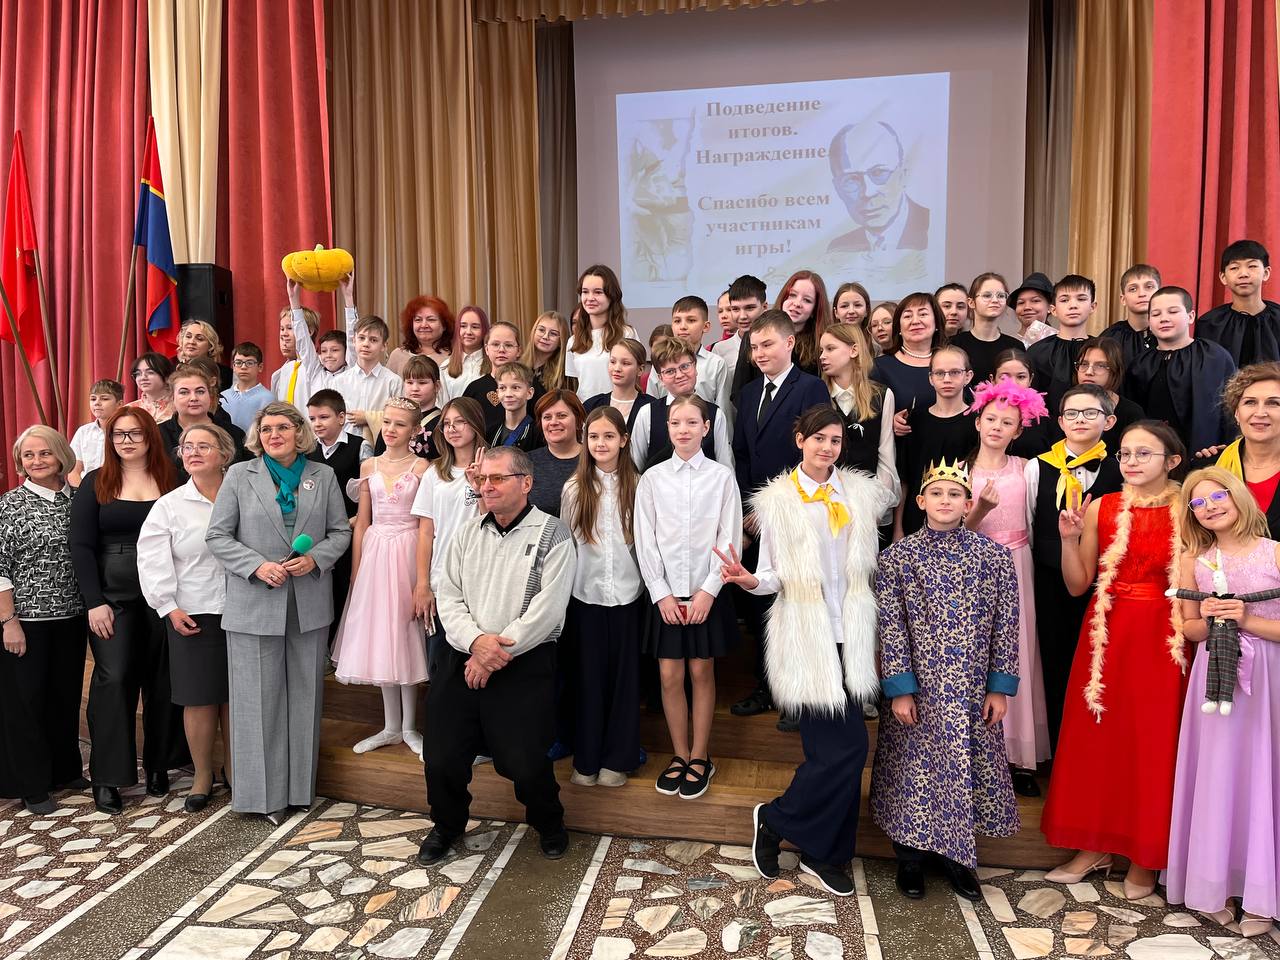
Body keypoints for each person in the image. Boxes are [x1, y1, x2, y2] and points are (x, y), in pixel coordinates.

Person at [719, 406, 890, 896]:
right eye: (819, 438)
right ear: (800, 440)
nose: (827, 448)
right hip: (807, 633)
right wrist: (749, 581)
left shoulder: (858, 493)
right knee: (845, 747)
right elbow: (772, 573)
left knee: (837, 752)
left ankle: (819, 848)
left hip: (850, 631)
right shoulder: (779, 500)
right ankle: (782, 821)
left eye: (835, 440)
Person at [1041, 421, 1189, 900]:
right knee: (1097, 737)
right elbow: (1077, 584)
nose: (1131, 461)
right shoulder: (1101, 506)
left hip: (1165, 633)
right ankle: (1094, 845)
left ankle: (1146, 856)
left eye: (1144, 453)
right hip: (1106, 632)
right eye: (1125, 453)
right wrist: (1068, 539)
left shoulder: (1189, 508)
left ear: (1172, 461)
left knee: (1153, 742)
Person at [871, 457, 1020, 901]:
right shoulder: (897, 558)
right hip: (921, 689)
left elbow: (1006, 624)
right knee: (913, 770)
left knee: (964, 769)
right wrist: (901, 689)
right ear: (920, 501)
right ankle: (910, 858)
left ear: (968, 503)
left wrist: (999, 687)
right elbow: (891, 627)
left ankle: (958, 858)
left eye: (955, 494)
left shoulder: (993, 557)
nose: (945, 500)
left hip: (971, 688)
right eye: (936, 493)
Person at [420, 446, 575, 863]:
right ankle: (447, 825)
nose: (486, 486)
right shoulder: (467, 532)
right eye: (483, 479)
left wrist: (493, 652)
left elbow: (548, 610)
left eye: (497, 478)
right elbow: (448, 595)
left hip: (523, 659)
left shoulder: (553, 534)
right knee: (441, 757)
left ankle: (549, 823)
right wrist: (475, 643)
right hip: (463, 655)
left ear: (526, 483)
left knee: (523, 762)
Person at [205, 401, 352, 824]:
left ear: (299, 432)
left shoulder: (322, 475)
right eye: (267, 428)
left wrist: (316, 558)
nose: (274, 435)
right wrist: (256, 566)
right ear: (258, 436)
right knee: (257, 702)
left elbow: (340, 531)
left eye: (283, 427)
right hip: (254, 602)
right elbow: (217, 536)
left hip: (308, 603)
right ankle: (262, 797)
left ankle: (299, 791)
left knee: (305, 699)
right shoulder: (239, 475)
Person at [1164, 467, 1280, 936]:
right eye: (1198, 503)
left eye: (1217, 497)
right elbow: (1190, 629)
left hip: (1268, 675)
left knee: (1264, 773)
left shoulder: (1275, 553)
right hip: (1215, 680)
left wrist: (1246, 619)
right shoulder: (1195, 560)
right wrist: (1210, 618)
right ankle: (1215, 885)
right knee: (1219, 774)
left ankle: (1263, 892)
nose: (1209, 507)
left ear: (1238, 497)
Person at [70, 407, 185, 814]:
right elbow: (81, 546)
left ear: (150, 436)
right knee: (114, 677)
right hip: (113, 596)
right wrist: (94, 602)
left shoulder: (173, 478)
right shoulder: (95, 481)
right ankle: (107, 776)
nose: (126, 441)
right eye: (119, 434)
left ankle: (159, 764)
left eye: (135, 433)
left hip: (167, 591)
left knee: (163, 679)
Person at [636, 395, 743, 799]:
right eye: (676, 422)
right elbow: (645, 539)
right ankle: (679, 754)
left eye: (692, 422)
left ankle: (700, 756)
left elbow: (729, 537)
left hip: (704, 594)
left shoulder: (721, 477)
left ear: (706, 427)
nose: (683, 429)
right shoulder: (652, 478)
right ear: (667, 428)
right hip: (665, 594)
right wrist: (661, 593)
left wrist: (708, 592)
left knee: (701, 672)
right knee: (669, 675)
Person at [731, 312, 830, 722]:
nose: (759, 353)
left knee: (797, 603)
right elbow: (741, 453)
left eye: (767, 344)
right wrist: (750, 508)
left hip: (796, 512)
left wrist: (774, 504)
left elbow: (814, 453)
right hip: (755, 518)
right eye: (754, 347)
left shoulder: (810, 387)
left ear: (789, 343)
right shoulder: (748, 392)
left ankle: (797, 694)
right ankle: (767, 686)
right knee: (762, 610)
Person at [137, 423, 235, 813]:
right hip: (193, 612)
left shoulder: (243, 494)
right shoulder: (170, 505)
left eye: (203, 446)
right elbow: (151, 559)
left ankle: (236, 770)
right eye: (186, 447)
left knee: (235, 698)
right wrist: (168, 607)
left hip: (245, 610)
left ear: (224, 454)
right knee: (199, 699)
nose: (192, 452)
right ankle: (202, 775)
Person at [963, 380, 1052, 796]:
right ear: (978, 421)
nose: (997, 427)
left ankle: (1018, 755)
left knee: (1017, 649)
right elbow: (954, 531)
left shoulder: (1026, 469)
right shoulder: (959, 470)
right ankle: (977, 749)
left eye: (1007, 422)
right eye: (991, 419)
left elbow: (1032, 521)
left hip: (1016, 563)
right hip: (973, 568)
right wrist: (980, 510)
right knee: (976, 652)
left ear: (1019, 429)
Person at [332, 398, 430, 756]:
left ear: (415, 430)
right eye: (387, 422)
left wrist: (423, 576)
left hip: (407, 550)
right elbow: (362, 522)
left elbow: (425, 523)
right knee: (381, 634)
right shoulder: (369, 465)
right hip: (375, 552)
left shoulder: (422, 468)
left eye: (400, 424)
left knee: (404, 632)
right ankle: (390, 726)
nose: (390, 429)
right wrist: (357, 571)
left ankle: (409, 726)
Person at [1027, 384, 1123, 746]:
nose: (1080, 420)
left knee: (1098, 663)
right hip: (1049, 580)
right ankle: (1056, 746)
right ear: (1060, 422)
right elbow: (1030, 525)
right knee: (1054, 660)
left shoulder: (1121, 468)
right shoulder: (1038, 467)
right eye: (1072, 413)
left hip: (1104, 584)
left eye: (1090, 413)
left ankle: (1094, 744)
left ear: (1108, 421)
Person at [0, 426, 87, 814]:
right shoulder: (10, 505)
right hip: (26, 620)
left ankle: (65, 770)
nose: (36, 461)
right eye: (28, 455)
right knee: (26, 703)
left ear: (61, 456)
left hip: (73, 616)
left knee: (64, 696)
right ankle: (31, 783)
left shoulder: (78, 501)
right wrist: (8, 621)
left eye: (45, 453)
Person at [561, 406, 645, 787]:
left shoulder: (638, 485)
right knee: (588, 680)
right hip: (586, 597)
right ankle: (587, 758)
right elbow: (568, 546)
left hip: (628, 595)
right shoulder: (574, 488)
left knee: (625, 680)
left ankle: (618, 759)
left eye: (609, 436)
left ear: (623, 440)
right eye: (593, 436)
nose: (600, 443)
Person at [411, 397, 486, 678]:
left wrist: (479, 487)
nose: (452, 429)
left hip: (480, 579)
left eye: (460, 422)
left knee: (476, 663)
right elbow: (425, 532)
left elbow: (496, 521)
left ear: (476, 424)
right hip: (442, 579)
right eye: (447, 424)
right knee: (441, 665)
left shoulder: (492, 467)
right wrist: (422, 584)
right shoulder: (435, 473)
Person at [1124, 285, 1237, 456]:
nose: (1164, 319)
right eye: (1156, 314)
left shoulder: (1214, 356)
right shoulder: (1140, 364)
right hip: (1152, 455)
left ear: (1190, 316)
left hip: (1205, 454)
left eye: (1173, 312)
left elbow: (1230, 408)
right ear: (1149, 322)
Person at [894, 346, 975, 539]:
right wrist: (898, 527)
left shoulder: (977, 422)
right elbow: (904, 479)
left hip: (963, 522)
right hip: (916, 521)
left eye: (955, 372)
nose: (947, 379)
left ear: (968, 376)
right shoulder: (915, 420)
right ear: (930, 378)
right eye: (940, 373)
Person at [818, 323, 898, 504]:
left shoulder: (882, 396)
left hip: (869, 499)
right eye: (821, 350)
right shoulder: (816, 394)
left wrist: (876, 506)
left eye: (830, 348)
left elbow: (886, 457)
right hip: (824, 500)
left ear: (854, 350)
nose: (822, 356)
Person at [631, 337, 733, 471]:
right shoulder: (647, 413)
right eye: (670, 371)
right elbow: (635, 467)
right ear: (660, 378)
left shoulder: (715, 413)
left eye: (685, 367)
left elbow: (725, 465)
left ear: (695, 367)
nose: (679, 375)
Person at [827, 120, 929, 252]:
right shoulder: (838, 249)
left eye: (879, 173)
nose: (868, 192)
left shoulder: (937, 228)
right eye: (851, 179)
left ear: (903, 175)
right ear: (838, 189)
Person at [730, 270, 830, 400]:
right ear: (783, 297)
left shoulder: (820, 344)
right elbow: (739, 392)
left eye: (807, 300)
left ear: (815, 309)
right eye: (792, 295)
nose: (797, 303)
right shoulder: (752, 335)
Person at [1216, 362, 1280, 535]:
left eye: (1273, 403)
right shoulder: (1210, 466)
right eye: (1250, 402)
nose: (1260, 413)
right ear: (1237, 413)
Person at [1194, 239, 1280, 367]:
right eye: (1234, 268)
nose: (1243, 274)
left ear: (1266, 273)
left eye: (1252, 266)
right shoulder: (1209, 324)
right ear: (1223, 277)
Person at [159, 362, 247, 482]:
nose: (193, 398)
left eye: (200, 391)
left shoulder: (233, 433)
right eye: (184, 392)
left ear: (210, 395)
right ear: (172, 397)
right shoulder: (157, 435)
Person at [647, 296, 732, 421]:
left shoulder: (716, 364)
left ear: (706, 326)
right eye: (677, 321)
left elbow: (723, 408)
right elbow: (652, 403)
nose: (683, 326)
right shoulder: (661, 362)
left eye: (691, 320)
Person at [871, 293, 946, 421]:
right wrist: (890, 422)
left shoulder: (952, 362)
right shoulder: (879, 367)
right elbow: (869, 417)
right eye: (907, 316)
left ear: (937, 323)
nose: (915, 321)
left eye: (923, 314)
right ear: (899, 327)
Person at [566, 265, 637, 400]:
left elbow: (634, 377)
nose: (590, 298)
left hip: (618, 407)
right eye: (585, 292)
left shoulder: (627, 334)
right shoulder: (573, 341)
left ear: (611, 296)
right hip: (586, 409)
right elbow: (575, 383)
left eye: (598, 292)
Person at [1028, 274, 1096, 415]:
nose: (1073, 305)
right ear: (1053, 310)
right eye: (1064, 300)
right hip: (1048, 424)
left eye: (1081, 299)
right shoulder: (1037, 352)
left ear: (1092, 306)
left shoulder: (1101, 350)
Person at [334, 312, 404, 445]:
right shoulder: (339, 381)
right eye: (361, 338)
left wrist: (368, 417)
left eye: (373, 340)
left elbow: (400, 417)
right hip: (345, 446)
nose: (366, 344)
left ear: (384, 346)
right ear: (354, 341)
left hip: (380, 446)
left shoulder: (393, 381)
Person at [464, 322, 544, 437]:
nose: (501, 350)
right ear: (486, 349)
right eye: (495, 344)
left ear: (519, 351)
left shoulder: (530, 383)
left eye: (509, 345)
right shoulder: (475, 388)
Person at [949, 273, 1023, 384]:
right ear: (971, 303)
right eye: (987, 295)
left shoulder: (1015, 346)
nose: (995, 300)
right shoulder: (954, 344)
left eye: (1001, 296)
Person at [1072, 337, 1144, 451]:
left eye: (1100, 366)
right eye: (1084, 364)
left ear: (1115, 370)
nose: (1089, 372)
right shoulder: (1066, 405)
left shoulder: (1131, 413)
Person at [528, 390, 585, 517]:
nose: (553, 422)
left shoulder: (595, 459)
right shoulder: (526, 462)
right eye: (547, 417)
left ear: (578, 421)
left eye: (561, 416)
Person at [584, 338, 656, 436]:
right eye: (613, 362)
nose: (617, 368)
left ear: (640, 370)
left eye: (625, 363)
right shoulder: (592, 405)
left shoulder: (652, 407)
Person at [374, 355, 442, 459]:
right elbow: (379, 455)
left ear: (436, 386)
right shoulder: (394, 417)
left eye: (422, 383)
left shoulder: (442, 422)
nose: (415, 388)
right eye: (409, 382)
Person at [1101, 263, 1160, 366]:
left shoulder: (1170, 332)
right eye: (1133, 289)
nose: (1142, 294)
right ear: (1123, 299)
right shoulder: (1110, 337)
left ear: (1159, 293)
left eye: (1149, 287)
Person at [69, 378, 124, 484]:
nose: (97, 403)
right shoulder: (83, 431)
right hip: (85, 486)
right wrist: (82, 490)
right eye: (93, 399)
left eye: (104, 399)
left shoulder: (126, 432)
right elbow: (73, 471)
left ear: (119, 404)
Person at [388, 295, 454, 380]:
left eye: (431, 320)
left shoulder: (454, 357)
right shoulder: (398, 355)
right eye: (418, 320)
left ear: (444, 325)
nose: (424, 325)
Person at [726, 275, 769, 400]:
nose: (742, 316)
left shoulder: (779, 339)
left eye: (749, 308)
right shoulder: (720, 348)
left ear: (764, 307)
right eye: (735, 309)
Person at [270, 301, 320, 410]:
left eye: (290, 328)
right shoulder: (277, 376)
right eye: (282, 329)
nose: (283, 334)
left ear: (309, 331)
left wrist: (293, 299)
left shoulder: (317, 366)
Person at [221, 342, 275, 432]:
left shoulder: (267, 398)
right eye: (238, 363)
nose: (243, 367)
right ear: (233, 366)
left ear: (260, 367)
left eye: (249, 363)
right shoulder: (223, 397)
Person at [440, 305, 489, 401]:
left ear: (484, 331)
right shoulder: (445, 367)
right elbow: (443, 403)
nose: (468, 332)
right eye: (463, 326)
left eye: (475, 327)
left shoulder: (494, 364)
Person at [521, 310, 575, 394]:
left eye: (553, 334)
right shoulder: (519, 365)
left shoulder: (564, 374)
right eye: (541, 330)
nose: (545, 337)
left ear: (561, 341)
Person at [175, 319, 233, 391]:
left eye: (199, 339)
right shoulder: (173, 371)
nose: (191, 342)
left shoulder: (226, 374)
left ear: (211, 346)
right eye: (188, 336)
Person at [1009, 272, 1057, 347]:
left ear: (1050, 307)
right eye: (1021, 302)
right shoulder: (1007, 344)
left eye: (1035, 301)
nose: (1027, 307)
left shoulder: (1059, 344)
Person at [129, 352, 175, 424]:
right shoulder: (130, 409)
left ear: (167, 376)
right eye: (138, 374)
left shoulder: (180, 408)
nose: (143, 378)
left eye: (150, 372)